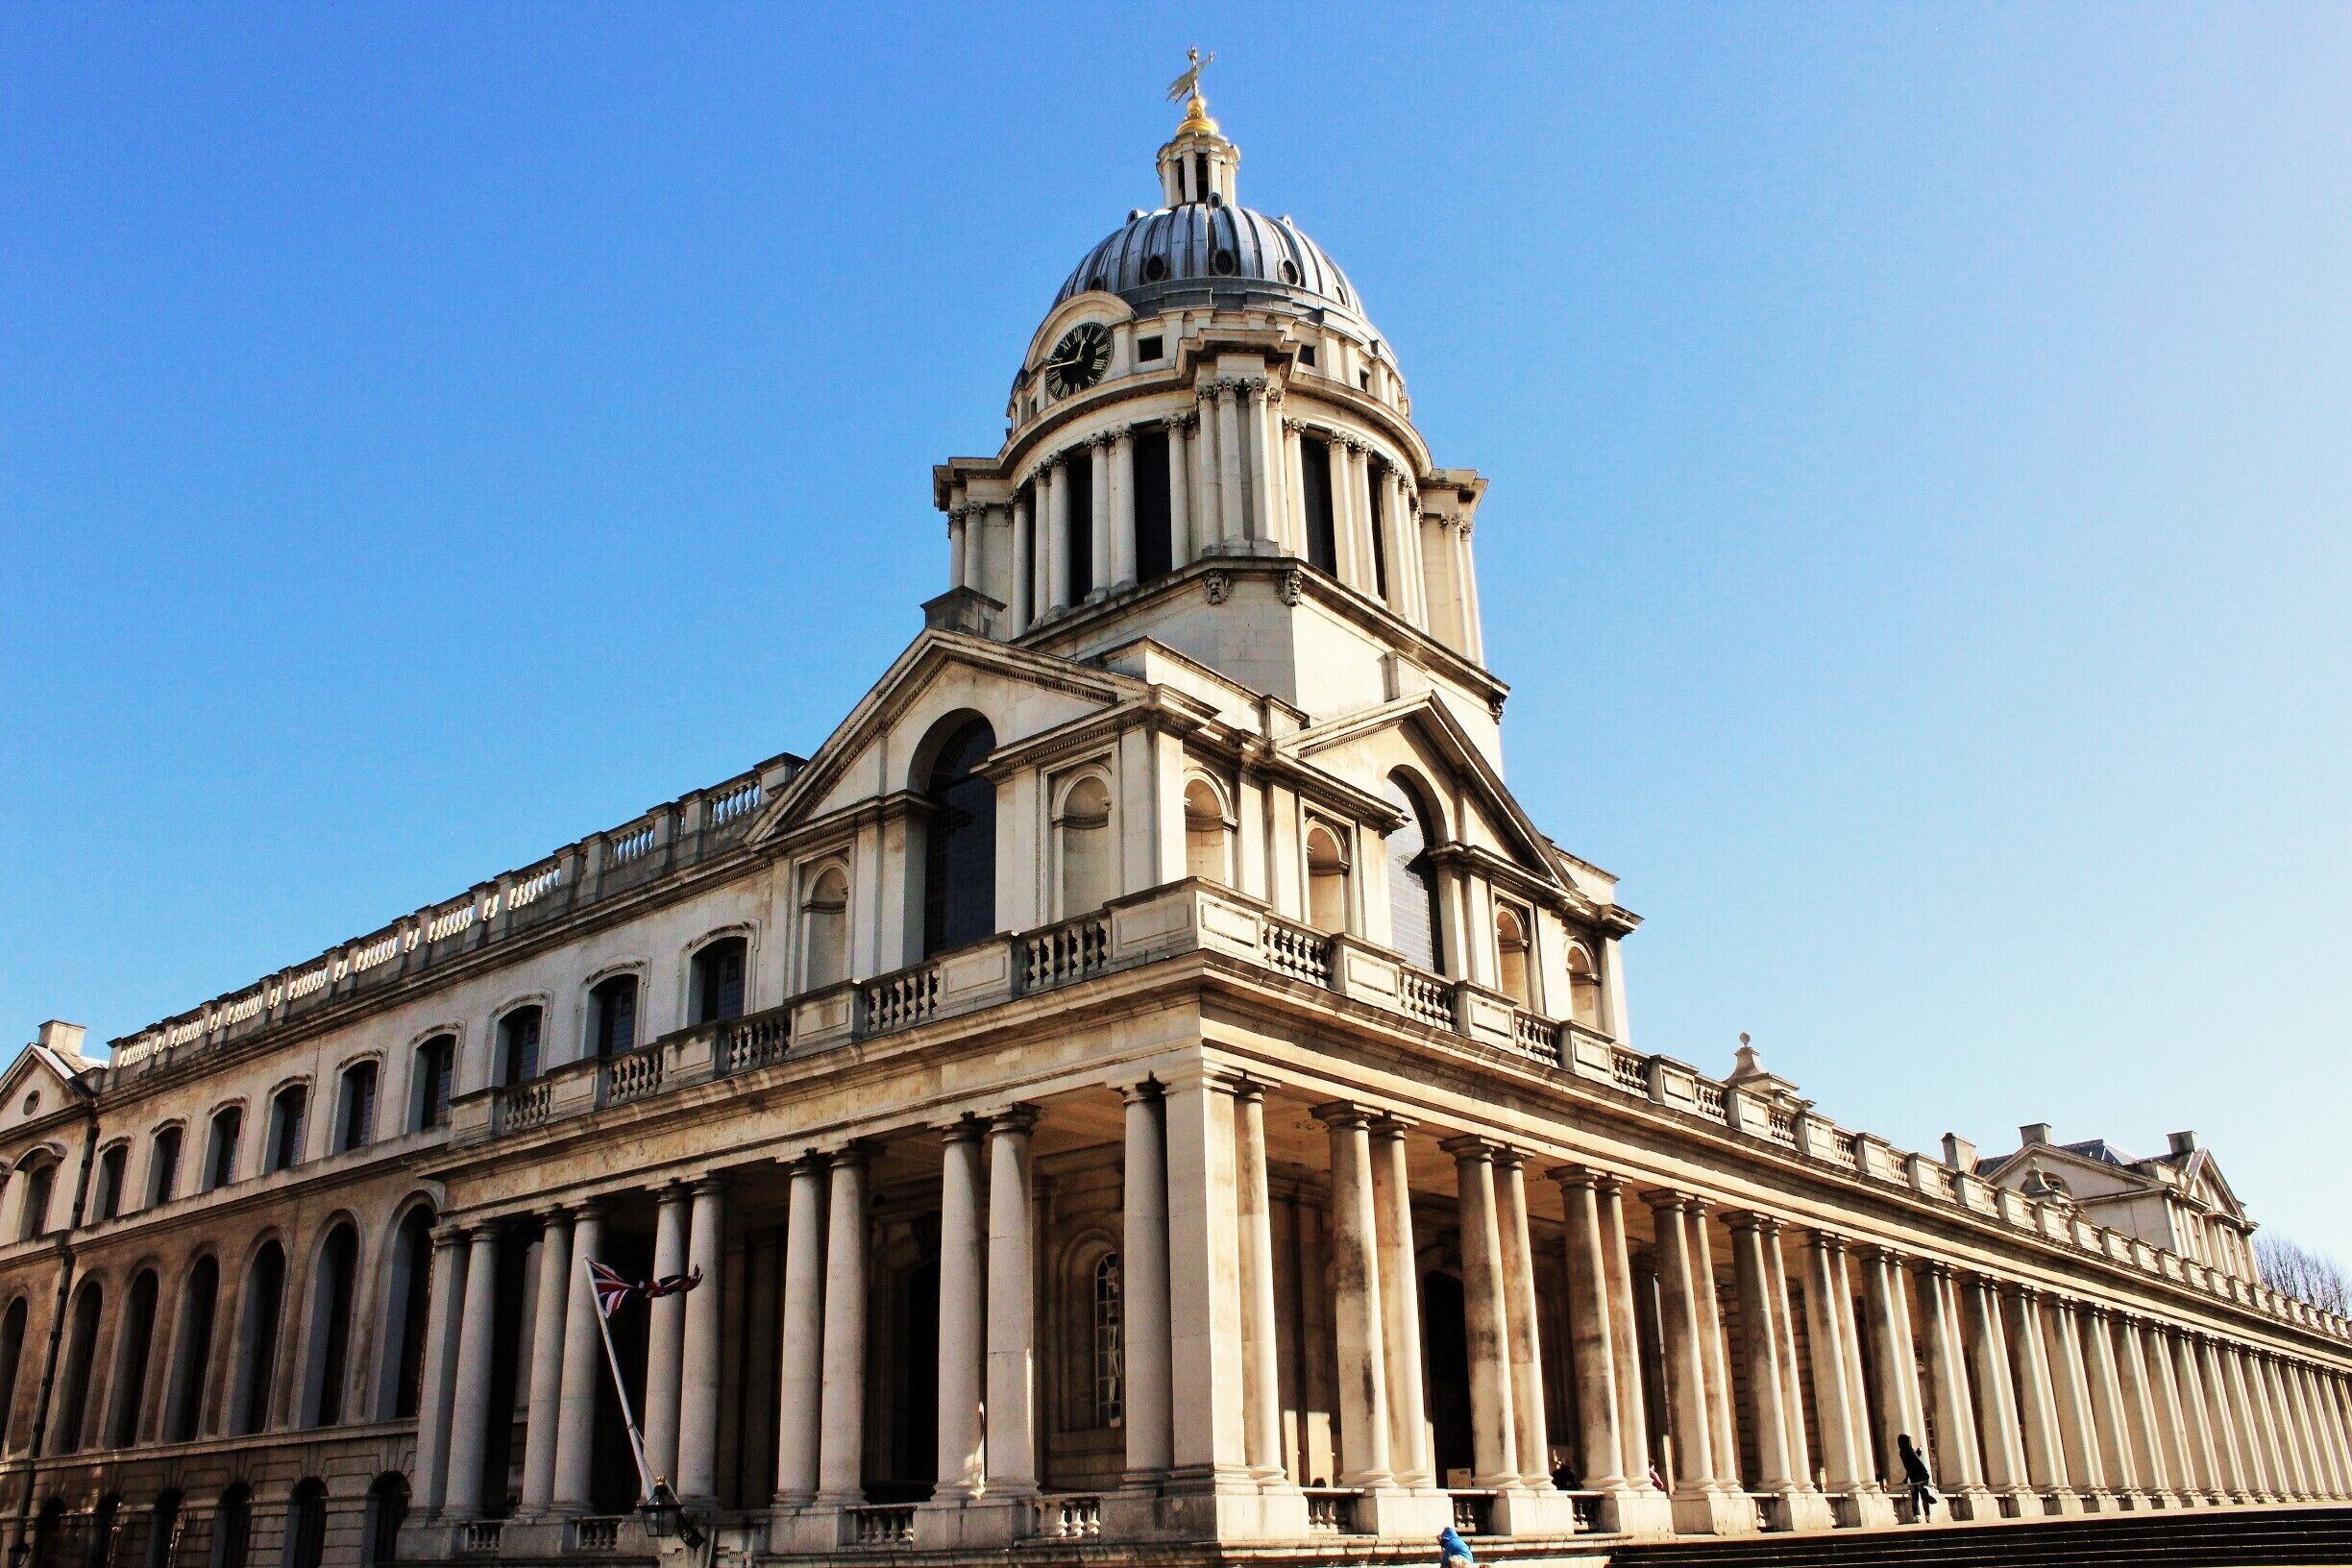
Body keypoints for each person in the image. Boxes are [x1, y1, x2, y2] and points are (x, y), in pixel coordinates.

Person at [1897, 1433, 1936, 1523]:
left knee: (1915, 1497)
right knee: (1924, 1496)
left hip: (1911, 1477)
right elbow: (1917, 1461)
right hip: (1920, 1476)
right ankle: (1927, 1515)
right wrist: (1919, 1451)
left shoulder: (1902, 1452)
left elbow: (1910, 1462)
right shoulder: (1910, 1450)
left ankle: (1917, 1515)